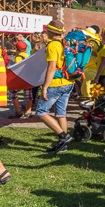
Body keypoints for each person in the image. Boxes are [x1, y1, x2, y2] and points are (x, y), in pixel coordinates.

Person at [37, 20, 74, 153]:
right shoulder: (66, 43)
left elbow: (52, 67)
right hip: (68, 82)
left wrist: (45, 87)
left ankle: (63, 136)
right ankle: (63, 145)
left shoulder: (53, 45)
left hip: (56, 83)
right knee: (61, 114)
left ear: (51, 32)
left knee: (41, 112)